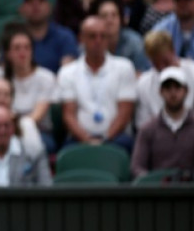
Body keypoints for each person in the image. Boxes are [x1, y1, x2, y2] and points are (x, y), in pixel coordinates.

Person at [57, 17, 137, 153]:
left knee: (125, 145)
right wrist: (87, 140)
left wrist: (105, 139)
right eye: (92, 36)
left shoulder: (124, 67)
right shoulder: (67, 72)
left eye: (103, 36)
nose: (98, 41)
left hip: (116, 137)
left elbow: (125, 112)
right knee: (67, 152)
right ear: (81, 39)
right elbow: (68, 115)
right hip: (79, 138)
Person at [131, 67, 194, 180]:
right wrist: (152, 182)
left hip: (193, 193)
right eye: (167, 88)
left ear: (186, 91)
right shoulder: (147, 129)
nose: (173, 93)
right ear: (160, 92)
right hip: (158, 192)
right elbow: (137, 167)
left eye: (177, 87)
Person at [0, 25, 58, 151]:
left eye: (27, 47)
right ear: (7, 53)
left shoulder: (46, 77)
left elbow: (36, 117)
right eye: (17, 48)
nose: (22, 52)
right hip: (1, 129)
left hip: (38, 131)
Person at [136, 31, 194, 130]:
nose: (162, 68)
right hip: (159, 139)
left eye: (166, 62)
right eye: (156, 64)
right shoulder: (143, 83)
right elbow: (143, 125)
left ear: (173, 51)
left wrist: (183, 137)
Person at [18, 0, 79, 73]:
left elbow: (69, 72)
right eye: (30, 1)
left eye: (40, 0)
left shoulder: (65, 36)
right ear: (21, 9)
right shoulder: (14, 38)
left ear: (49, 7)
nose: (35, 5)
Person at [96, 0, 150, 73]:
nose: (109, 20)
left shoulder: (134, 42)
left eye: (114, 15)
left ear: (120, 19)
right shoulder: (92, 42)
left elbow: (142, 74)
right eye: (104, 16)